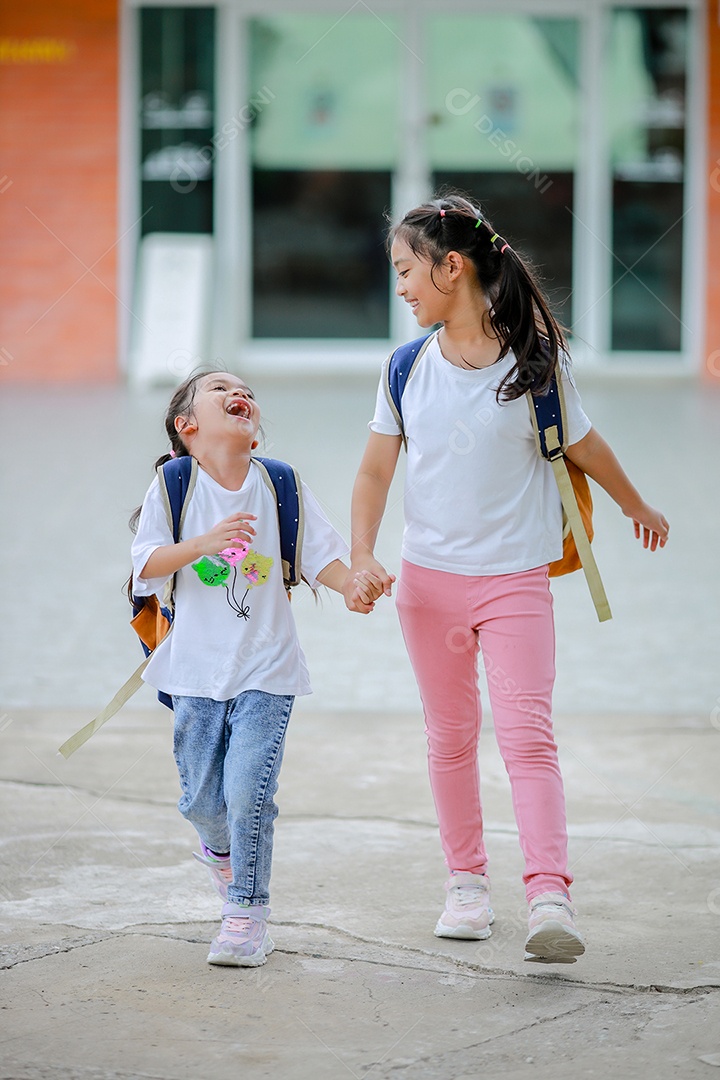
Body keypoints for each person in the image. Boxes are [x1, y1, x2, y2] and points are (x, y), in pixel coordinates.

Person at [346, 193, 669, 964]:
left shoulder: (535, 363)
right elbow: (372, 473)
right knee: (451, 739)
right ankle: (465, 883)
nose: (400, 288)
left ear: (451, 267)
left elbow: (586, 447)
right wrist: (361, 555)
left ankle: (549, 895)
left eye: (406, 272)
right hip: (429, 588)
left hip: (515, 585)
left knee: (529, 739)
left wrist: (637, 505)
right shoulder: (405, 368)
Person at [131, 369, 381, 967]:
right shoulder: (173, 484)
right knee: (200, 802)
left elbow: (322, 554)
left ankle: (246, 914)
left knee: (249, 793)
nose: (234, 391)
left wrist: (353, 587)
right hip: (194, 673)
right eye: (217, 388)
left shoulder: (279, 483)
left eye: (242, 388)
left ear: (255, 427)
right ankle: (220, 853)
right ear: (187, 426)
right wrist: (203, 545)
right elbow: (146, 565)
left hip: (268, 669)